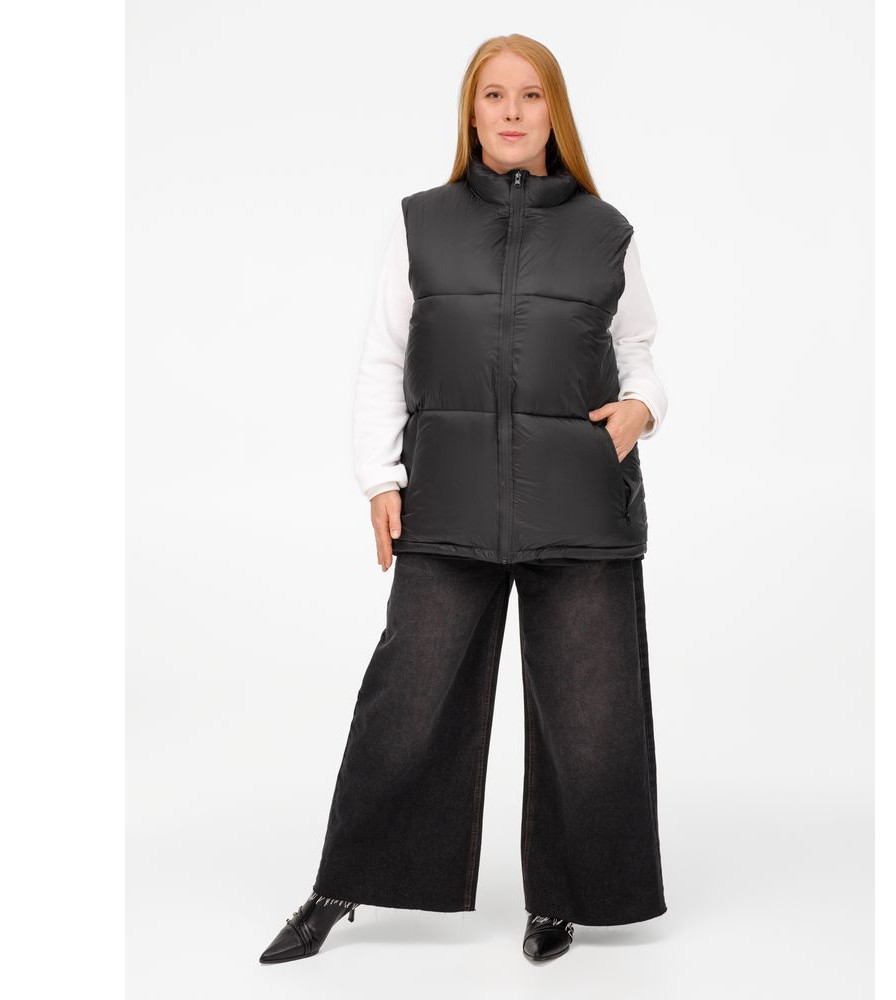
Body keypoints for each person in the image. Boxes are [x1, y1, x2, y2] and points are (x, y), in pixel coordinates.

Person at [260, 33, 669, 966]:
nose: (513, 111)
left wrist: (641, 408)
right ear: (471, 112)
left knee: (590, 715)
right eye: (495, 95)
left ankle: (564, 899)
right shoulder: (422, 223)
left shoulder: (606, 229)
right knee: (406, 701)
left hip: (580, 506)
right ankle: (342, 886)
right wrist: (380, 478)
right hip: (445, 504)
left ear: (555, 111)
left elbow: (640, 348)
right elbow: (382, 358)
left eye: (531, 95)